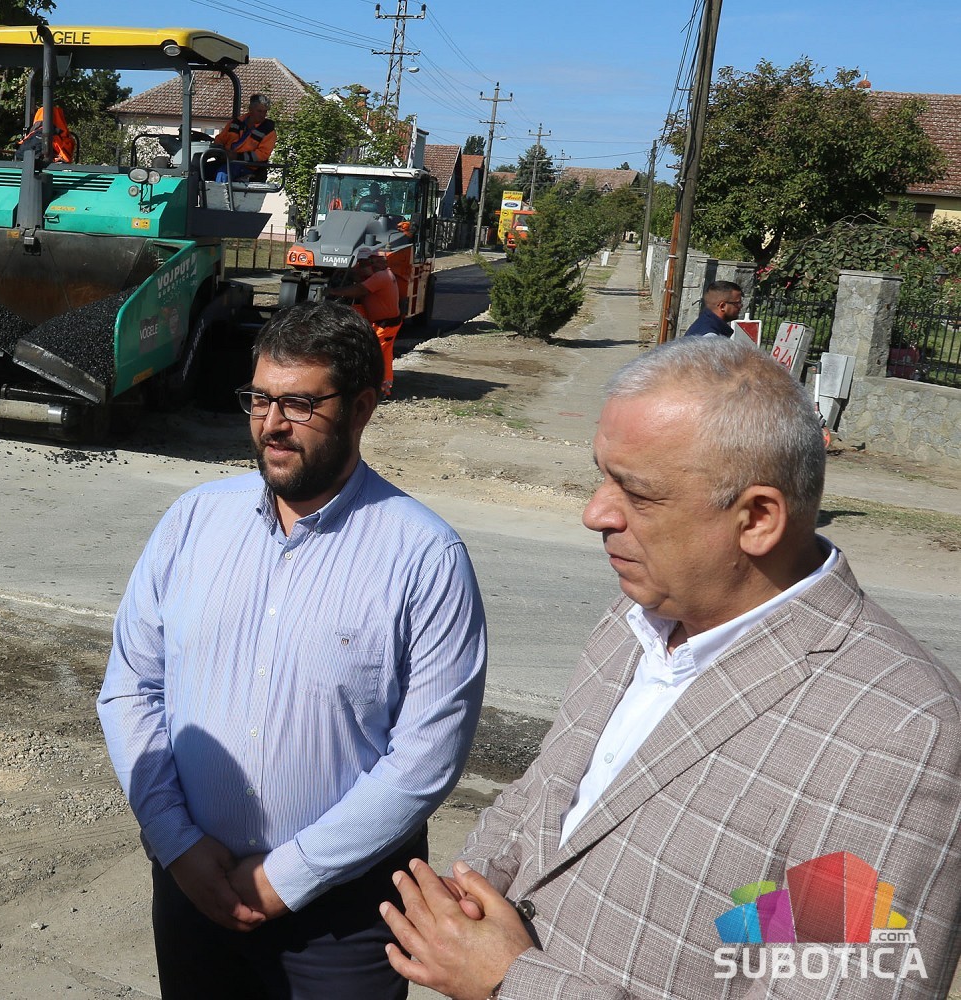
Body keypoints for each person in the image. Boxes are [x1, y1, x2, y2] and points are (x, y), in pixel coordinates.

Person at [380, 337, 961, 1000]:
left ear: (757, 519)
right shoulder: (640, 617)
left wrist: (511, 980)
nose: (595, 513)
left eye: (639, 494)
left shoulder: (899, 737)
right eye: (603, 476)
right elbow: (549, 792)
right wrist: (468, 895)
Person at [99, 301, 487, 999]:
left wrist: (289, 876)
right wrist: (176, 841)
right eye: (260, 399)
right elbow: (132, 687)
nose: (272, 424)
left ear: (362, 408)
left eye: (300, 404)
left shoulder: (425, 557)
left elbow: (426, 758)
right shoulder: (193, 522)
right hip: (192, 887)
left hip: (343, 918)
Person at [326, 246, 403, 398]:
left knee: (373, 355)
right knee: (384, 355)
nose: (365, 266)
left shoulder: (382, 276)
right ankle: (384, 387)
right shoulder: (382, 274)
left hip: (385, 325)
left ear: (378, 262)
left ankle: (372, 388)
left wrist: (334, 292)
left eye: (367, 263)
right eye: (362, 263)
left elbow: (360, 290)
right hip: (384, 322)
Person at [212, 93, 276, 181]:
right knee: (200, 169)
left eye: (265, 112)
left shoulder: (268, 131)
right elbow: (220, 139)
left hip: (249, 166)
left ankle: (220, 189)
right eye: (259, 111)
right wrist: (220, 151)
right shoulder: (235, 123)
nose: (262, 115)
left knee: (224, 172)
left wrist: (237, 156)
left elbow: (262, 154)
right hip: (227, 161)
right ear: (250, 109)